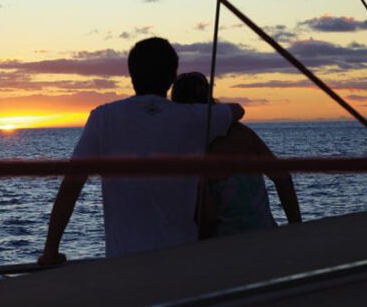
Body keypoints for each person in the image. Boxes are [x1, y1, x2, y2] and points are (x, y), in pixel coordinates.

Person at [38, 38, 244, 264]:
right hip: (182, 260)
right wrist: (200, 109)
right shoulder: (194, 118)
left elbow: (71, 186)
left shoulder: (103, 118)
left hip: (124, 263)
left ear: (131, 75)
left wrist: (50, 251)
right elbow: (237, 110)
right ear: (172, 76)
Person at [171, 72, 302, 238]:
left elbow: (208, 219)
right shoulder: (243, 133)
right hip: (266, 234)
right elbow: (282, 178)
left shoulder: (191, 147)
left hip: (223, 246)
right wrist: (297, 228)